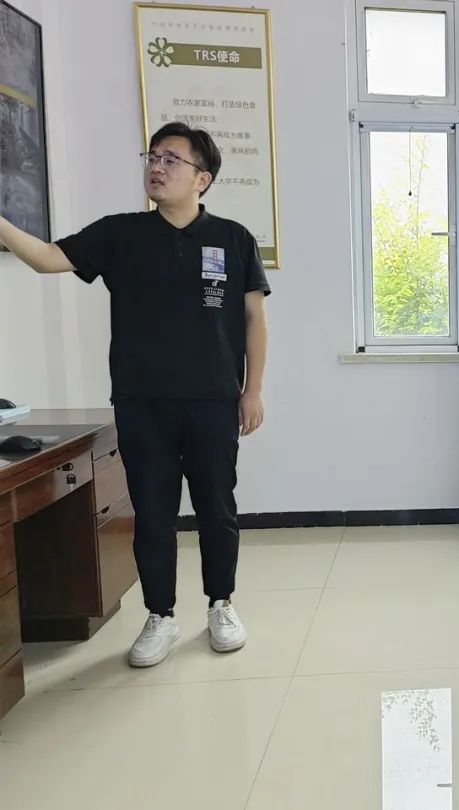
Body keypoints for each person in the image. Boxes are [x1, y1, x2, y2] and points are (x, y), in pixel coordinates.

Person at [0, 122, 270, 668]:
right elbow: (47, 258)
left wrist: (253, 391)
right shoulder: (120, 234)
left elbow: (254, 319)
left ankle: (221, 604)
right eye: (152, 156)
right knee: (152, 513)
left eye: (172, 159)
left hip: (214, 400)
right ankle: (160, 615)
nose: (157, 167)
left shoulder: (233, 238)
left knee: (217, 509)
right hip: (142, 402)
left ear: (202, 178)